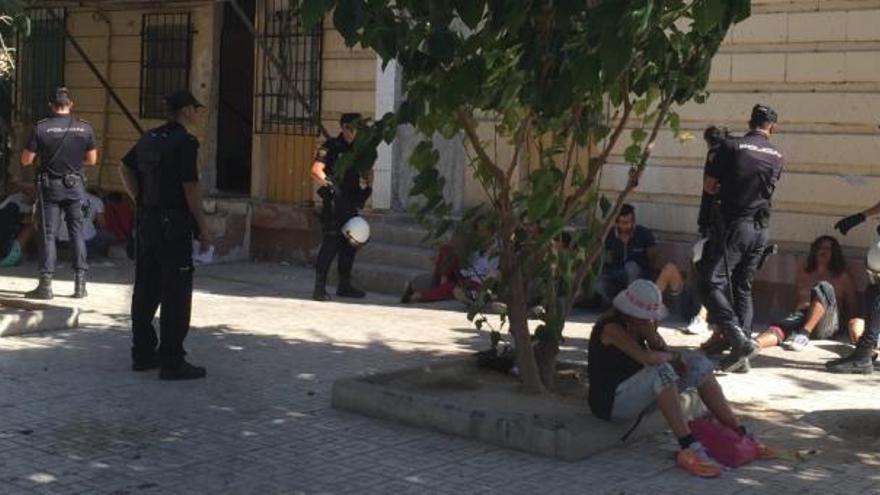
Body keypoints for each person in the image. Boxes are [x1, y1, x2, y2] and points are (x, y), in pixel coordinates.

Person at [587, 280, 769, 478]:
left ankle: (739, 431)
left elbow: (663, 352)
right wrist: (673, 357)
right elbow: (646, 358)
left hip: (638, 394)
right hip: (613, 402)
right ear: (629, 313)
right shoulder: (610, 328)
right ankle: (689, 446)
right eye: (644, 317)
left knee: (700, 365)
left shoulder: (641, 326)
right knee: (661, 371)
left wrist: (653, 336)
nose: (648, 320)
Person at [119, 90, 212, 380]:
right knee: (176, 292)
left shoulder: (149, 138)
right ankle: (172, 360)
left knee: (146, 288)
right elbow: (190, 188)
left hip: (147, 222)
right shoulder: (185, 143)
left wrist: (141, 200)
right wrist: (203, 226)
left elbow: (124, 166)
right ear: (185, 110)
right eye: (196, 109)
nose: (198, 114)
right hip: (174, 225)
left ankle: (143, 353)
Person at [700, 104, 783, 371]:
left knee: (710, 282)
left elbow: (710, 186)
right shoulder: (777, 156)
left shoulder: (732, 147)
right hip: (761, 230)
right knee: (742, 287)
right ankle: (742, 354)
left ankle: (736, 337)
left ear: (749, 122)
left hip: (736, 226)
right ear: (772, 127)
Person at [20, 87, 97, 299]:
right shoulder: (85, 128)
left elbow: (25, 160)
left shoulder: (41, 128)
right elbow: (92, 160)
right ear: (70, 105)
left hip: (50, 187)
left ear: (51, 106)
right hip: (75, 187)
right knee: (76, 233)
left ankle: (45, 286)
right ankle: (80, 284)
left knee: (48, 234)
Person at [754, 235, 859, 351]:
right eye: (820, 248)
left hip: (826, 325)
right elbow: (796, 301)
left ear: (835, 253)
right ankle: (752, 345)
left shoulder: (842, 277)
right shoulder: (804, 273)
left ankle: (804, 334)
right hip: (801, 317)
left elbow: (852, 308)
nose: (823, 251)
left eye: (828, 249)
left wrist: (850, 329)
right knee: (779, 328)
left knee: (823, 287)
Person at [310, 113, 373, 301]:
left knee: (350, 245)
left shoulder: (358, 149)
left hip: (351, 202)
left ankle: (344, 285)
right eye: (353, 128)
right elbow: (316, 171)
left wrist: (368, 186)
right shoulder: (331, 147)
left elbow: (367, 171)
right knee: (331, 243)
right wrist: (330, 185)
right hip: (335, 204)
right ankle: (319, 288)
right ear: (344, 127)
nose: (356, 132)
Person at [595, 204, 656, 306]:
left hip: (638, 277)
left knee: (631, 266)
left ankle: (630, 305)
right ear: (617, 223)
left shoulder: (643, 233)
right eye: (624, 223)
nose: (628, 225)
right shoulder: (609, 235)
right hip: (617, 274)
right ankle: (615, 305)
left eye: (631, 222)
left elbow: (653, 256)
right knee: (598, 283)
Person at [57, 189, 116, 258]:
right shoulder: (96, 200)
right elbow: (101, 223)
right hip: (86, 238)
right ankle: (88, 253)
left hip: (62, 238)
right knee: (110, 236)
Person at [0, 187, 35, 267]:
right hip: (5, 257)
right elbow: (32, 219)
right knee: (33, 224)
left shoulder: (6, 205)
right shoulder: (12, 207)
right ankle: (35, 252)